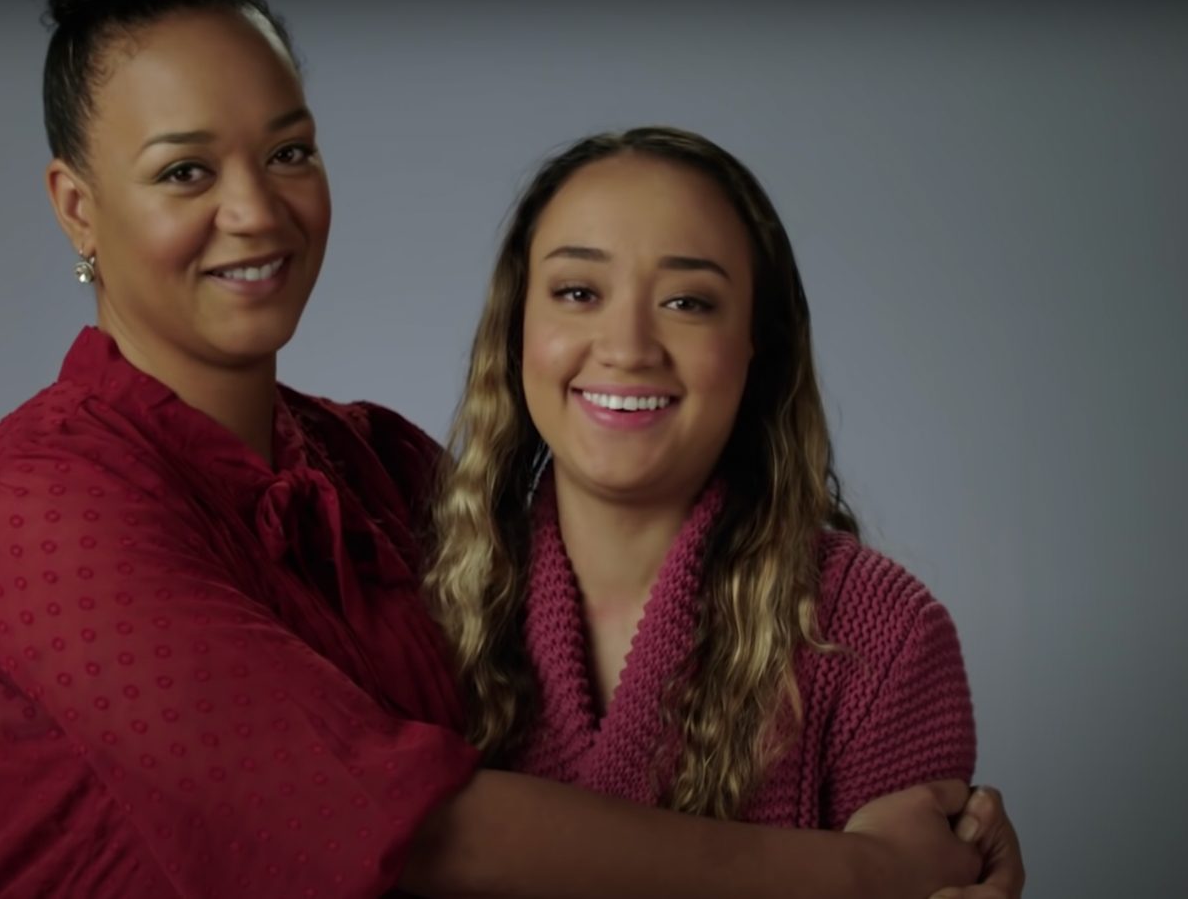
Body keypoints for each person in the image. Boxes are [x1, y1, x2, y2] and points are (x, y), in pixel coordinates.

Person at [0, 1, 1021, 897]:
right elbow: (393, 831)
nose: (256, 211)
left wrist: (946, 825)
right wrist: (861, 873)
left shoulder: (383, 468)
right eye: (184, 172)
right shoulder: (41, 506)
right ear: (77, 208)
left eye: (289, 152)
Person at [429, 122, 1015, 848]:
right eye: (577, 291)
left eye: (687, 302)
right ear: (515, 327)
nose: (627, 348)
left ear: (756, 344)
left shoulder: (884, 638)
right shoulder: (418, 601)